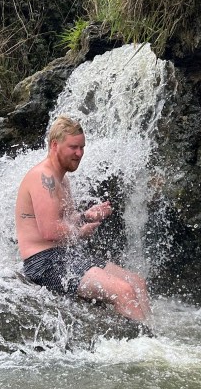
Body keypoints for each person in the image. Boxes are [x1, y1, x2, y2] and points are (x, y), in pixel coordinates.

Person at [15, 115, 152, 323]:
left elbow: (66, 219)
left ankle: (152, 336)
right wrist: (80, 231)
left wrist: (85, 216)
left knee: (136, 283)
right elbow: (50, 231)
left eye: (82, 147)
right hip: (44, 264)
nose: (79, 154)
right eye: (73, 147)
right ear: (55, 145)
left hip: (64, 256)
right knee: (123, 291)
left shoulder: (62, 179)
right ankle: (147, 348)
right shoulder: (44, 178)